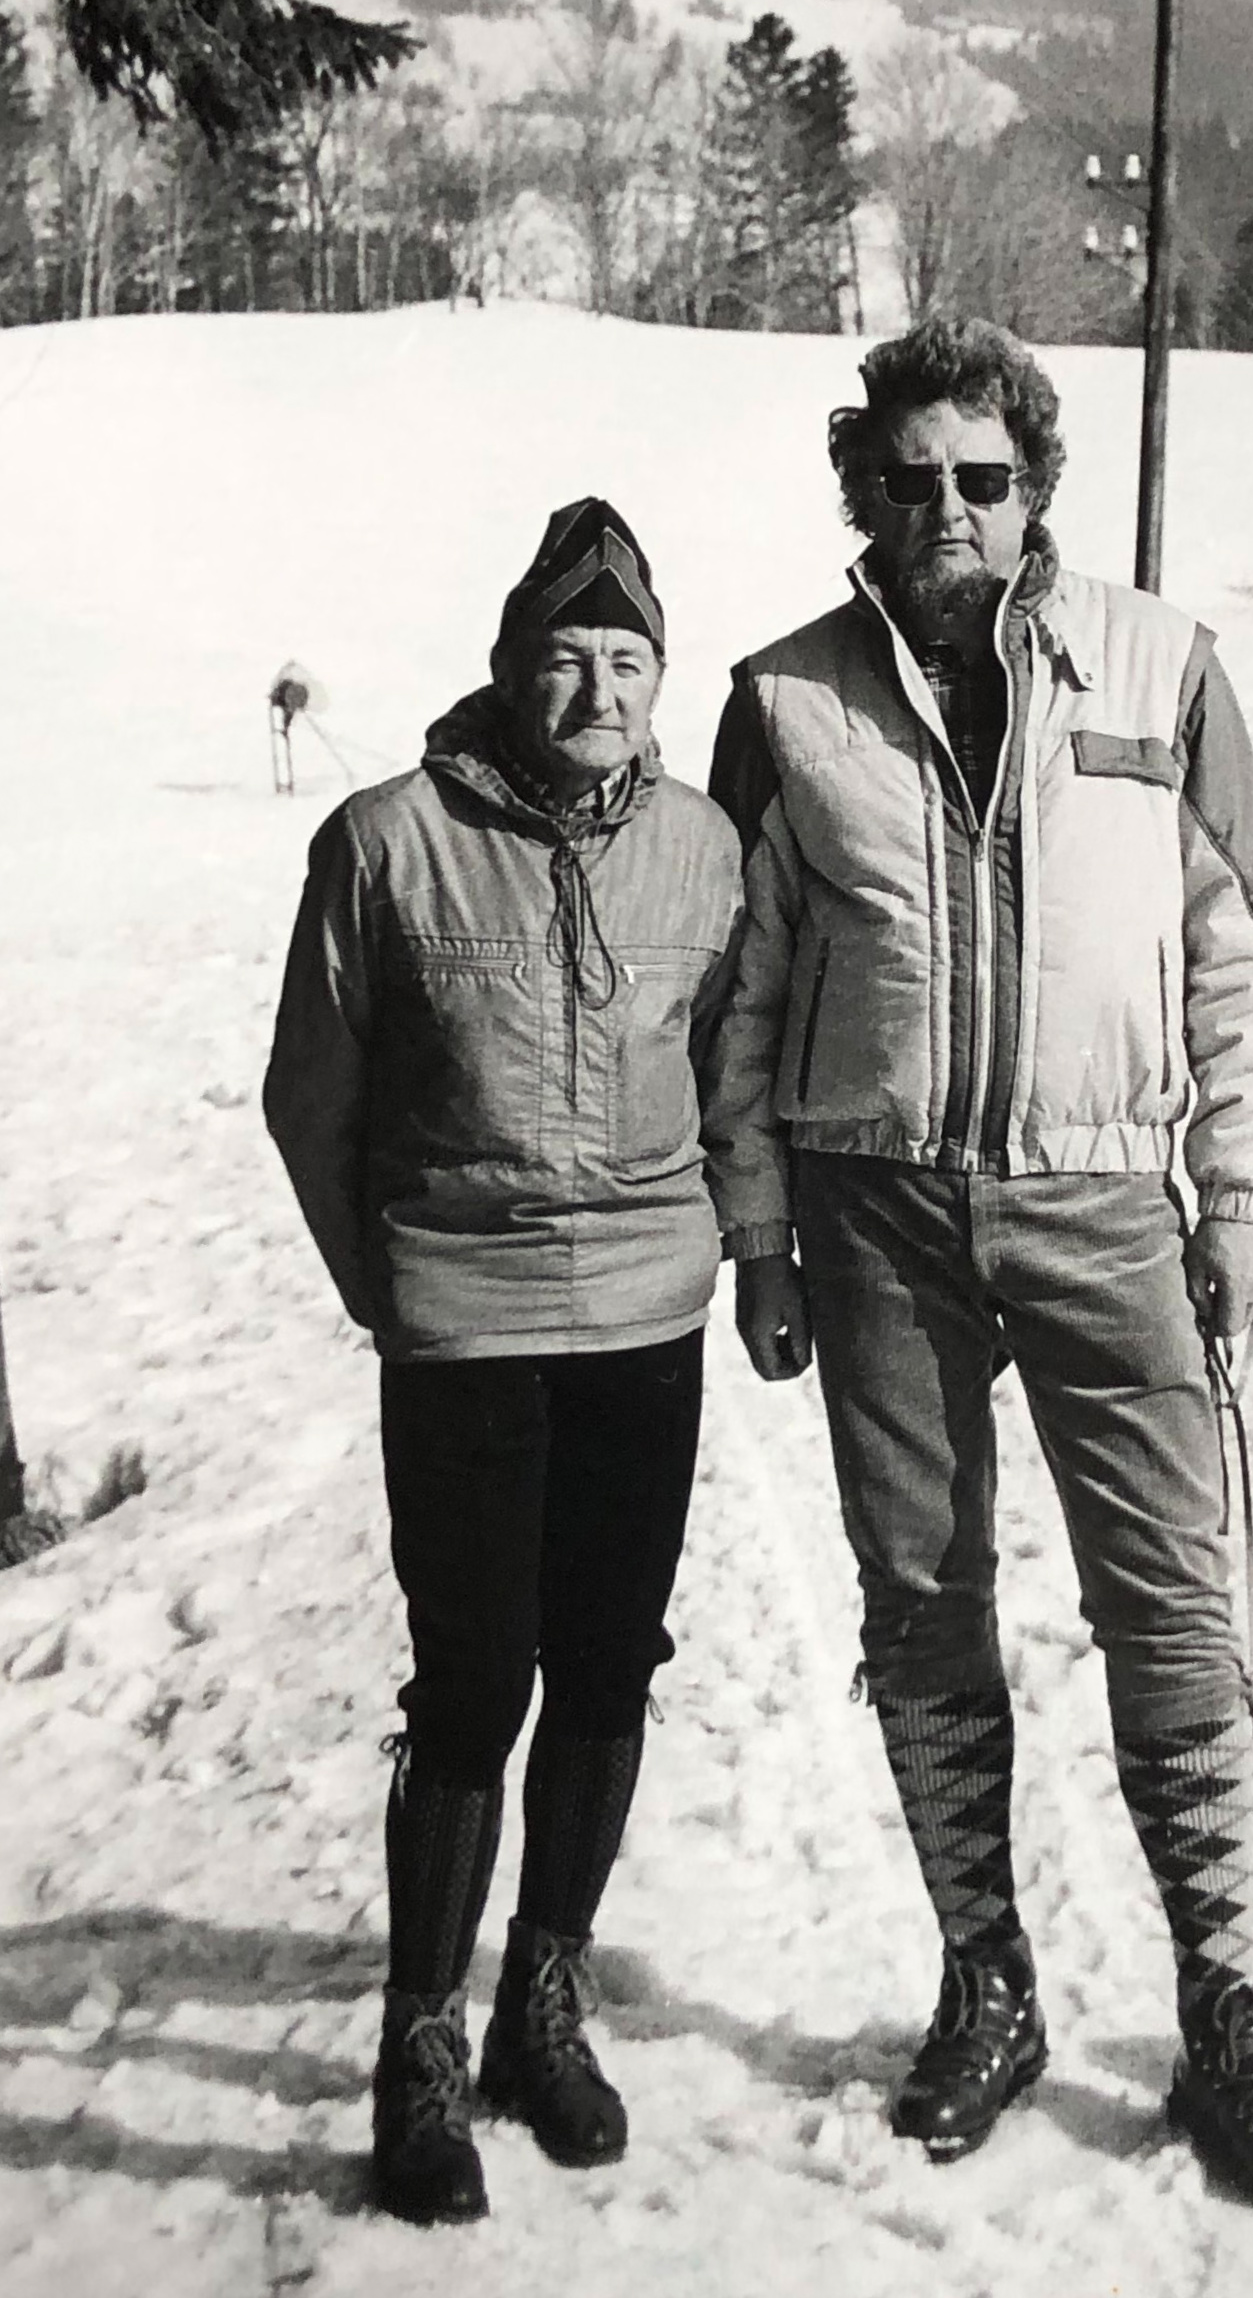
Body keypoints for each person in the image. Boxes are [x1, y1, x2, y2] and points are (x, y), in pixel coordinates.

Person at [701, 316, 1253, 2213]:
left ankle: (1227, 2004)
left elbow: (1249, 956)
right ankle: (986, 1979)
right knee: (921, 1601)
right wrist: (760, 1234)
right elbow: (743, 1000)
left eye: (983, 478)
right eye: (910, 481)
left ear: (1035, 488)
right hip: (875, 1210)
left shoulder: (1162, 666)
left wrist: (1244, 1197)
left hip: (1103, 1199)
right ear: (864, 496)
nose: (949, 511)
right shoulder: (784, 701)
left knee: (1172, 1601)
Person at [264, 499, 742, 2227]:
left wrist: (727, 1246)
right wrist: (390, 1287)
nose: (598, 692)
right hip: (462, 1322)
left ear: (660, 679)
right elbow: (310, 1098)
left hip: (643, 1325)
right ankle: (419, 2038)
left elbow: (728, 1069)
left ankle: (546, 1995)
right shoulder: (384, 843)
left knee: (609, 1665)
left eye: (628, 660)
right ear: (506, 668)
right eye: (565, 658)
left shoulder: (704, 849)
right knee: (472, 1681)